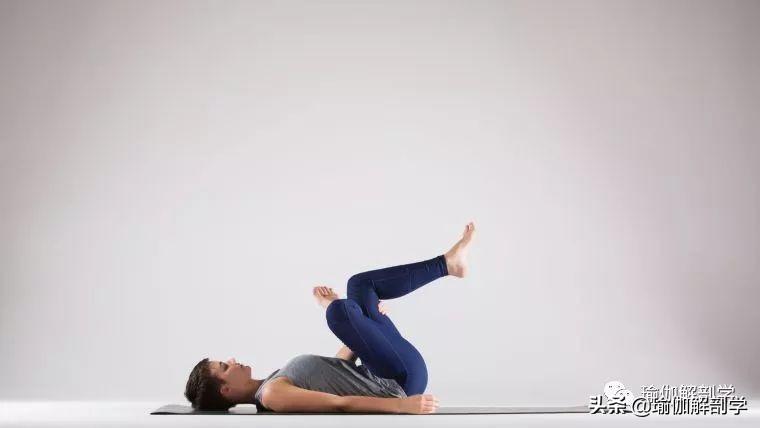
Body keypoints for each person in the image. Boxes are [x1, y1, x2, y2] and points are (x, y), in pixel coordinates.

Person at [184, 222, 476, 414]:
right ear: (226, 390)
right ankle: (337, 309)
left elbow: (341, 370)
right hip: (398, 384)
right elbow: (340, 404)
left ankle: (448, 265)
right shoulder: (271, 394)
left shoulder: (273, 379)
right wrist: (402, 406)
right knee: (337, 311)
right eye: (224, 366)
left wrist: (365, 322)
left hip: (386, 368)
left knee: (359, 286)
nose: (231, 360)